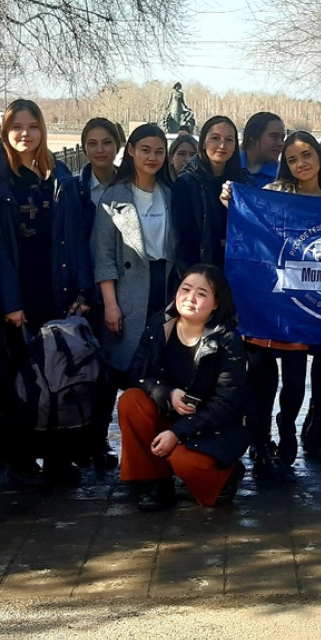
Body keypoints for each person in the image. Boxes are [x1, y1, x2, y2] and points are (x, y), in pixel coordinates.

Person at [0, 99, 92, 486]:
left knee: (56, 377)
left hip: (55, 288)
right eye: (16, 127)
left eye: (33, 126)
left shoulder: (59, 176)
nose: (25, 134)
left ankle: (57, 456)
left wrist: (82, 291)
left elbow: (76, 237)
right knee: (17, 380)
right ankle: (20, 458)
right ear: (6, 131)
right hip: (14, 291)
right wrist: (11, 301)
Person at [119, 264, 252, 510]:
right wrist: (167, 392)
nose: (190, 298)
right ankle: (156, 481)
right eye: (185, 289)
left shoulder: (227, 340)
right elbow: (136, 373)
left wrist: (178, 433)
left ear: (216, 303)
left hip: (210, 426)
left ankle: (226, 475)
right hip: (168, 413)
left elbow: (227, 404)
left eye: (201, 293)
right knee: (131, 400)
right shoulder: (160, 324)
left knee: (187, 462)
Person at [246, 132, 321, 479]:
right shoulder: (274, 193)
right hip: (268, 300)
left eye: (306, 155)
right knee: (262, 378)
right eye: (292, 159)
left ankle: (287, 425)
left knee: (295, 380)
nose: (300, 164)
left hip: (304, 304)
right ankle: (260, 439)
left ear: (319, 156)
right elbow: (250, 228)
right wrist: (232, 200)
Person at [93, 123, 175, 377]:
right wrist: (111, 305)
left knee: (163, 367)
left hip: (167, 285)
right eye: (145, 150)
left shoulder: (171, 194)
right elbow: (104, 255)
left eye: (159, 152)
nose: (152, 157)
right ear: (131, 150)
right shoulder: (114, 197)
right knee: (128, 366)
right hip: (129, 289)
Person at [76, 116, 126, 469]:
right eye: (92, 143)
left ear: (118, 145)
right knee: (84, 369)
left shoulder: (128, 184)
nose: (100, 150)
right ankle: (81, 438)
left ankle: (100, 439)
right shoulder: (73, 187)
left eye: (107, 142)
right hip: (84, 290)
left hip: (122, 285)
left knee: (110, 370)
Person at [172, 115, 249, 274]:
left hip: (238, 270)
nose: (222, 145)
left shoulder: (245, 182)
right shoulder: (187, 182)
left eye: (229, 140)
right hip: (200, 270)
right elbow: (182, 242)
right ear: (203, 142)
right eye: (215, 138)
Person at [240, 112, 285, 187]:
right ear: (253, 137)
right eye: (274, 137)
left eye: (282, 138)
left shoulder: (282, 176)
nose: (281, 143)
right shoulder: (228, 166)